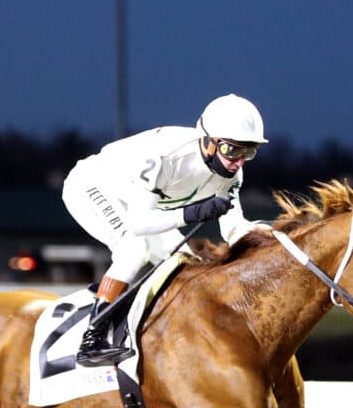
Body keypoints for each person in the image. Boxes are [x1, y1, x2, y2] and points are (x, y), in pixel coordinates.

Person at [63, 94, 269, 366]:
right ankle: (93, 338)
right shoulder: (168, 157)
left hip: (144, 206)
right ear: (208, 141)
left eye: (248, 152)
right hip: (92, 186)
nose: (239, 162)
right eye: (233, 150)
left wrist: (268, 237)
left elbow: (233, 228)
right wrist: (192, 213)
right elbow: (139, 223)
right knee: (134, 251)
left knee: (186, 265)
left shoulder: (232, 175)